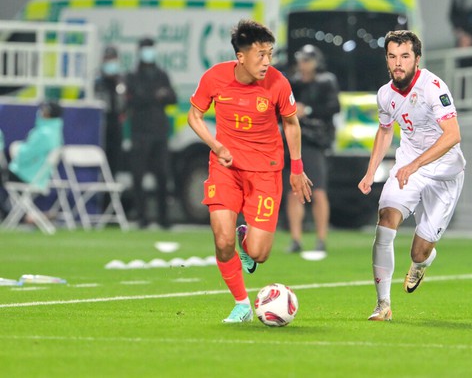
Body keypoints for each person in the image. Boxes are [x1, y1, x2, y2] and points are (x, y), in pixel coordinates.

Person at [187, 19, 312, 323]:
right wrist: (216, 146)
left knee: (259, 254)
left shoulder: (278, 83)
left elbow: (292, 123)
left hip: (265, 172)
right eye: (260, 55)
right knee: (221, 239)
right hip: (225, 167)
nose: (267, 61)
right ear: (240, 57)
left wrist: (297, 169)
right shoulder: (215, 78)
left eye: (270, 54)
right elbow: (195, 116)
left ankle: (247, 240)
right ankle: (242, 303)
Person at [358, 30, 466, 321]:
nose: (398, 63)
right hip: (408, 168)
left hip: (443, 173)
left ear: (417, 59)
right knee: (385, 222)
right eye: (392, 57)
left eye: (405, 56)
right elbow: (384, 131)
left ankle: (423, 262)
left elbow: (453, 135)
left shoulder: (433, 87)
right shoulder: (385, 94)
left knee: (419, 251)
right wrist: (370, 173)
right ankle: (383, 305)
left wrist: (416, 164)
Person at [285, 45, 341, 254]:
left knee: (317, 191)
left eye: (308, 60)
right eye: (301, 59)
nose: (304, 63)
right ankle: (296, 239)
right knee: (292, 192)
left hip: (315, 142)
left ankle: (320, 239)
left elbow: (334, 107)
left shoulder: (326, 81)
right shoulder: (293, 82)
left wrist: (306, 110)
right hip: (293, 141)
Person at [125, 37, 177, 229]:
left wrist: (156, 96)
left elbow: (172, 97)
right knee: (138, 176)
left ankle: (164, 218)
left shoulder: (161, 74)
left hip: (159, 132)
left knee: (162, 175)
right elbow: (133, 100)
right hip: (140, 131)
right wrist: (154, 96)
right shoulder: (133, 76)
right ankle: (142, 216)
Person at [95, 45, 126, 175]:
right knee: (102, 157)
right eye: (108, 59)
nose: (110, 63)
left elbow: (125, 102)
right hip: (102, 123)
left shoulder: (121, 81)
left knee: (115, 159)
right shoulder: (98, 81)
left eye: (113, 59)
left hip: (116, 124)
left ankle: (110, 191)